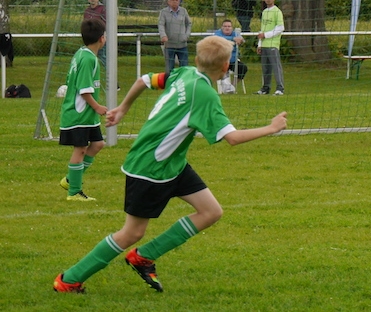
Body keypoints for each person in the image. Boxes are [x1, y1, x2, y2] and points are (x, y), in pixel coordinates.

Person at [53, 35, 288, 294]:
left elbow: (143, 80)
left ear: (197, 59)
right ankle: (69, 279)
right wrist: (271, 128)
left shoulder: (184, 73)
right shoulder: (206, 95)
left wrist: (123, 108)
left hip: (172, 164)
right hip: (150, 168)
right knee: (131, 233)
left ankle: (144, 256)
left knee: (210, 212)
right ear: (225, 67)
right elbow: (231, 138)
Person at [58, 19, 108, 201]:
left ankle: (70, 179)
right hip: (78, 113)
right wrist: (97, 107)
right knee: (80, 149)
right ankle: (74, 192)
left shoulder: (82, 53)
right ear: (102, 38)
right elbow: (84, 90)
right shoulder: (87, 59)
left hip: (87, 115)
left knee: (97, 144)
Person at [255, 0, 285, 95]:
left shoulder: (277, 12)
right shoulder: (264, 12)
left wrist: (266, 35)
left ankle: (280, 88)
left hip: (273, 44)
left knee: (276, 67)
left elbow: (280, 28)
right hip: (264, 44)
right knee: (265, 68)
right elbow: (262, 29)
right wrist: (260, 44)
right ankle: (265, 88)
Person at [158, 0, 192, 74]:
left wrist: (186, 35)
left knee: (184, 67)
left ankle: (184, 80)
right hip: (169, 45)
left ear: (179, 2)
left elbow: (189, 24)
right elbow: (161, 24)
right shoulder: (163, 12)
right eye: (173, 0)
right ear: (168, 2)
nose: (175, 2)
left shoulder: (183, 11)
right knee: (169, 68)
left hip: (182, 44)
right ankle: (170, 80)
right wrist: (163, 35)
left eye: (177, 0)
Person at [84, 0, 107, 67]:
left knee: (102, 55)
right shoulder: (87, 11)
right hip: (90, 37)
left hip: (100, 36)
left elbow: (105, 23)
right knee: (90, 55)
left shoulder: (102, 9)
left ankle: (110, 70)